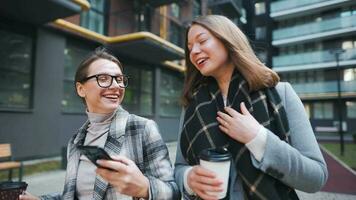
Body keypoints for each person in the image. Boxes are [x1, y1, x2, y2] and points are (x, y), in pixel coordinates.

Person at [174, 15, 328, 200]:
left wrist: (258, 138)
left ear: (227, 39)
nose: (194, 52)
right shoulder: (192, 106)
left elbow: (316, 177)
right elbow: (178, 169)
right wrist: (188, 178)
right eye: (190, 48)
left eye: (202, 41)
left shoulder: (281, 93)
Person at [20, 49, 180, 200]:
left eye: (119, 79)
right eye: (103, 78)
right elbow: (76, 195)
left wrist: (145, 188)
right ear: (81, 89)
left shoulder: (142, 128)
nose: (116, 86)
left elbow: (174, 192)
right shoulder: (76, 142)